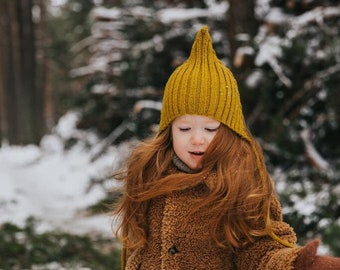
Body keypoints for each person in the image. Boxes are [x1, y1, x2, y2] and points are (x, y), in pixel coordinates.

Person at [112, 26, 340, 270]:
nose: (197, 139)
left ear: (231, 131)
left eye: (210, 129)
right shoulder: (149, 174)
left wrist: (298, 265)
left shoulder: (242, 183)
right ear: (167, 131)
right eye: (184, 129)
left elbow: (261, 250)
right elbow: (136, 247)